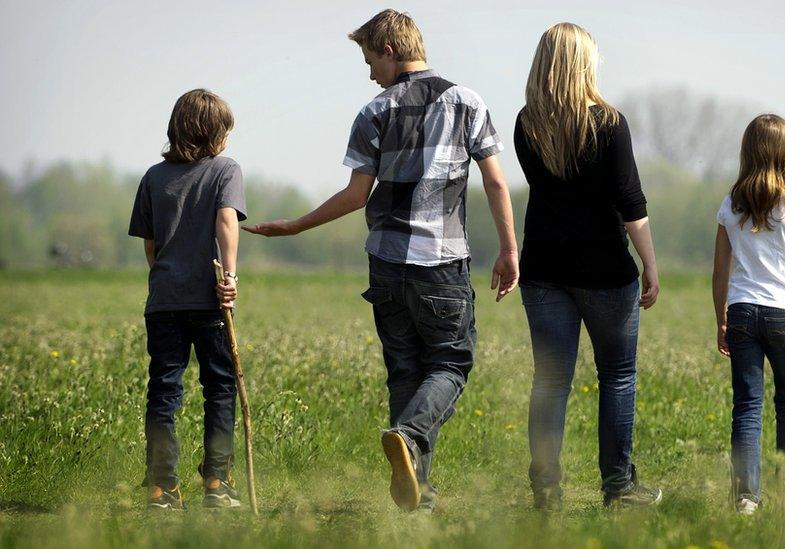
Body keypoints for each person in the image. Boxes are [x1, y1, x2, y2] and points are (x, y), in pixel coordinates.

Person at [243, 9, 519, 513]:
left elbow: (355, 196)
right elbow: (497, 182)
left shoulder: (374, 112)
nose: (371, 72)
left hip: (387, 266)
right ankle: (411, 439)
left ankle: (417, 494)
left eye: (371, 60)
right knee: (452, 363)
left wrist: (295, 225)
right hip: (441, 262)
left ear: (389, 51)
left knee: (405, 372)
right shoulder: (468, 102)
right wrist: (509, 249)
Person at [513, 22, 663, 509]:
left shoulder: (525, 124)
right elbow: (631, 203)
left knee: (550, 380)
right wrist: (651, 264)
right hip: (604, 272)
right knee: (617, 376)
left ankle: (546, 492)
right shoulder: (610, 123)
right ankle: (617, 489)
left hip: (543, 270)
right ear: (583, 63)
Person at [128, 89, 247, 510]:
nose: (228, 140)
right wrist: (229, 277)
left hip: (163, 302)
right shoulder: (225, 170)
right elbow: (226, 221)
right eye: (225, 131)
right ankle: (217, 482)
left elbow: (151, 246)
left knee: (163, 392)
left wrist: (167, 279)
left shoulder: (152, 177)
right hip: (210, 301)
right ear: (210, 132)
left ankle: (161, 488)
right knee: (219, 388)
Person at [711, 113, 785, 515]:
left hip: (742, 310)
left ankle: (746, 496)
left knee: (746, 405)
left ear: (748, 153)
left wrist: (721, 319)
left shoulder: (731, 204)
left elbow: (720, 269)